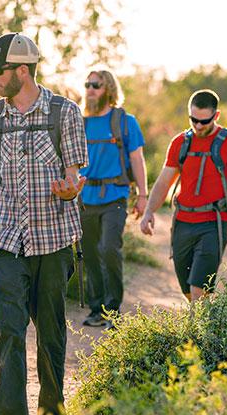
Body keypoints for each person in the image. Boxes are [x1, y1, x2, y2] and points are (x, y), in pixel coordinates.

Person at [0, 32, 87, 415]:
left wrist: (71, 189)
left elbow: (75, 177)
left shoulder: (64, 113)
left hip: (53, 244)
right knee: (10, 334)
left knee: (51, 337)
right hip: (8, 245)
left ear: (21, 70)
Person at [139, 89, 227, 303]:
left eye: (204, 121)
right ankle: (208, 327)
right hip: (182, 223)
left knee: (199, 288)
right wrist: (148, 212)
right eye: (193, 120)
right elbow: (164, 181)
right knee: (189, 291)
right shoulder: (180, 143)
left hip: (213, 224)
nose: (198, 126)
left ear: (216, 116)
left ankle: (196, 336)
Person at [79, 69, 147, 328]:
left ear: (108, 88)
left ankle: (113, 310)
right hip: (85, 198)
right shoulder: (80, 122)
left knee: (108, 248)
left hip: (115, 196)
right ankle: (97, 310)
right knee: (91, 254)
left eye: (95, 84)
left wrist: (143, 195)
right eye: (87, 85)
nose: (90, 89)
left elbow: (137, 159)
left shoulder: (125, 121)